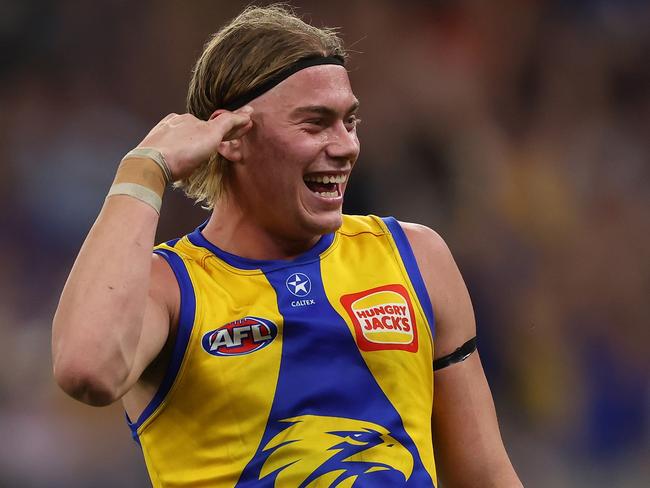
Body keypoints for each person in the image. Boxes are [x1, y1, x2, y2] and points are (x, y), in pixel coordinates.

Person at [52, 5, 522, 487]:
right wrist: (145, 170)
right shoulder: (170, 289)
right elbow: (86, 369)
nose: (346, 146)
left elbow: (485, 474)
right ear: (233, 137)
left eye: (349, 121)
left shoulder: (416, 257)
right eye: (315, 123)